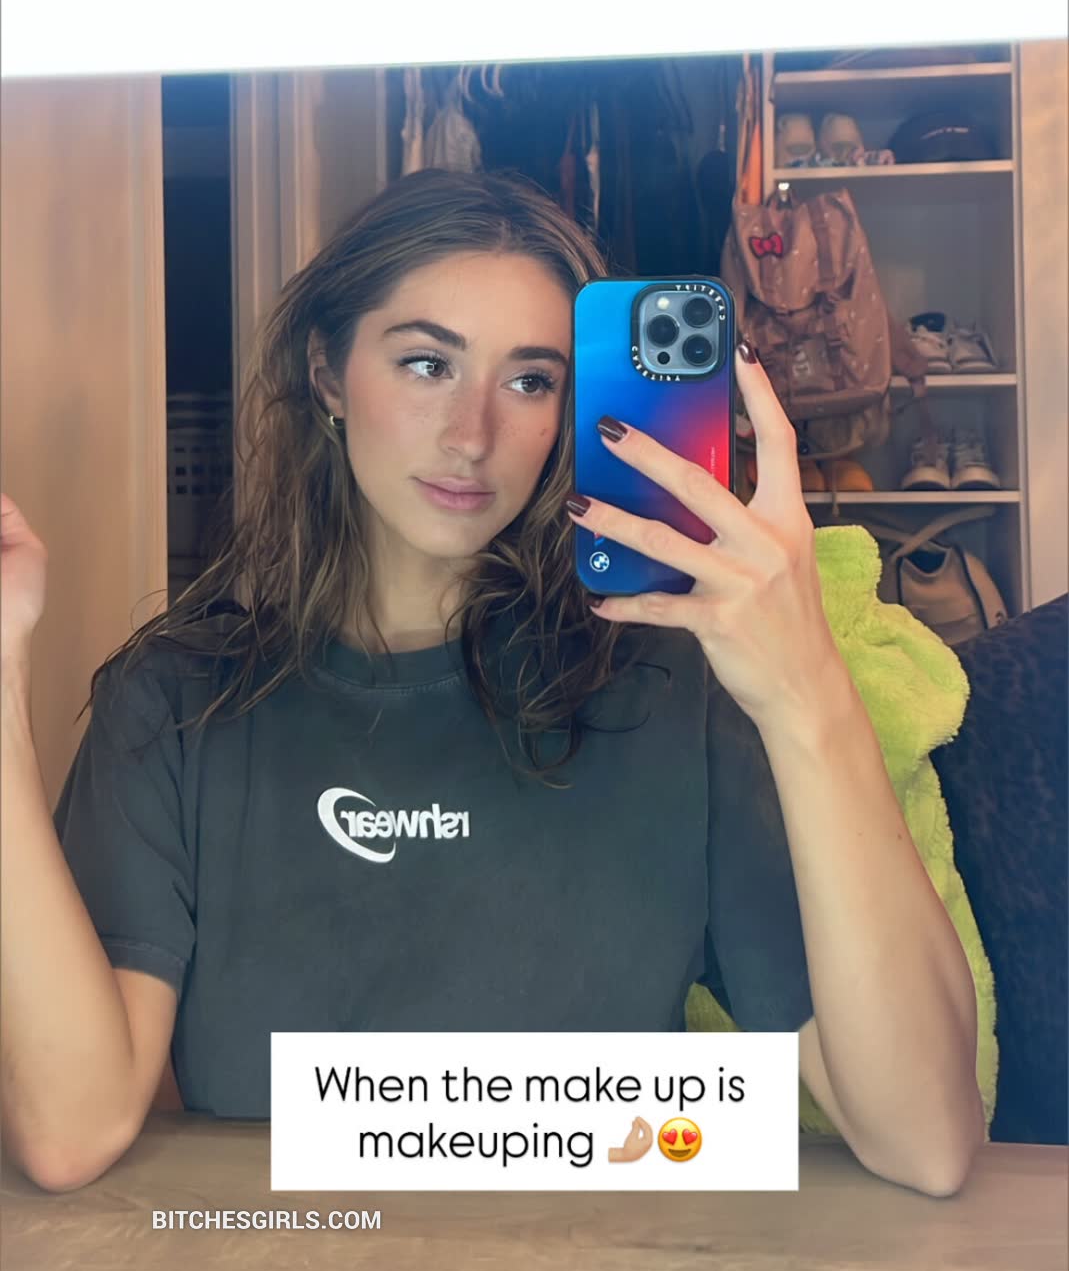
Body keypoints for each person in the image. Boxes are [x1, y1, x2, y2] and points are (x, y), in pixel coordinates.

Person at [1, 168, 984, 1196]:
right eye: (427, 363)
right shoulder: (176, 703)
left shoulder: (664, 687)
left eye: (529, 381)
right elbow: (70, 1132)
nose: (472, 435)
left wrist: (805, 688)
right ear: (327, 373)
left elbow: (925, 1137)